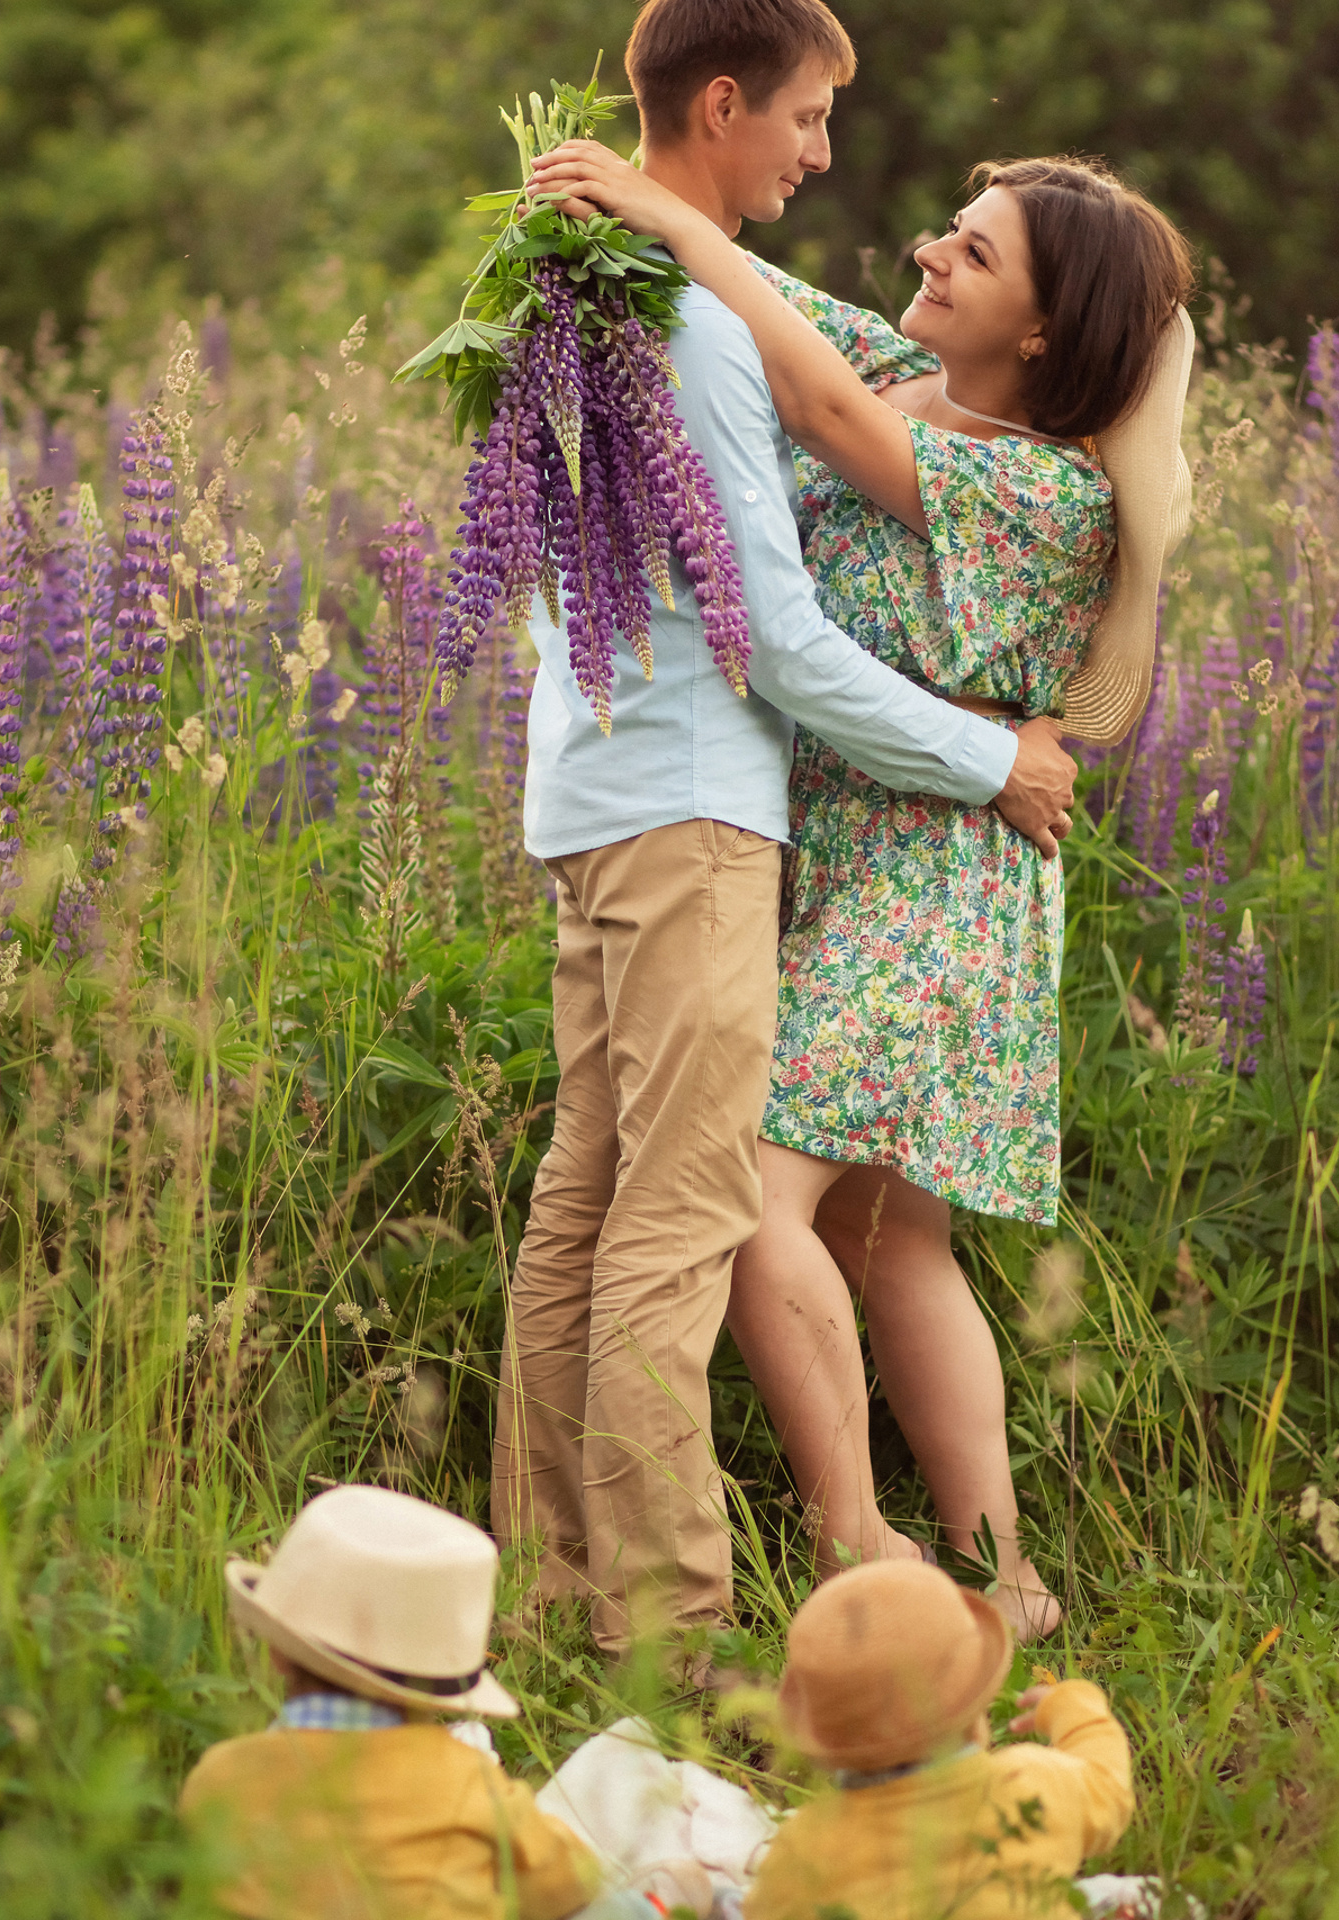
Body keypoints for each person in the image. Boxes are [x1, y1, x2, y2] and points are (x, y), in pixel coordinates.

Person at [524, 138, 1195, 1636]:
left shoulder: (1042, 492)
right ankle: (1000, 1581)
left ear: (1044, 331)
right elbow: (777, 301)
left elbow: (812, 404)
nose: (929, 255)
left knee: (751, 1190)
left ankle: (857, 1540)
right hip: (852, 843)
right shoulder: (911, 368)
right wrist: (657, 205)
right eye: (949, 230)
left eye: (975, 252)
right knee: (887, 1236)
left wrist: (653, 210)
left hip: (933, 872)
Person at [179, 1484, 695, 1920]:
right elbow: (568, 1881)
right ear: (441, 1679)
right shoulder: (467, 1783)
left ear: (278, 1653)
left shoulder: (218, 1778)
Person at [745, 1559, 1135, 1920]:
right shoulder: (1030, 1786)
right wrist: (1075, 1708)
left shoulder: (806, 1846)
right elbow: (1109, 1788)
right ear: (973, 1708)